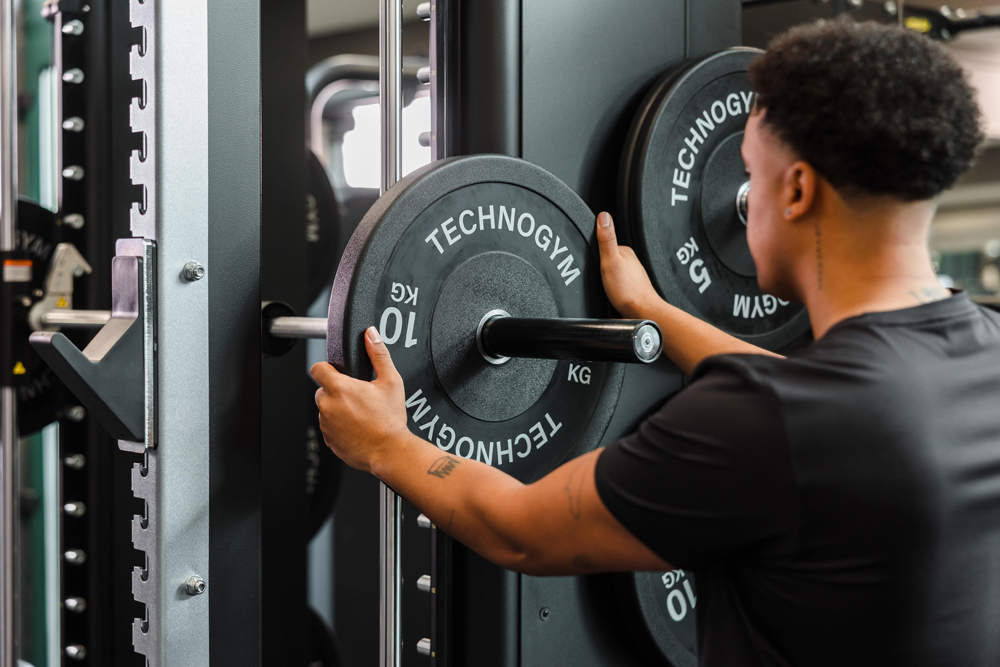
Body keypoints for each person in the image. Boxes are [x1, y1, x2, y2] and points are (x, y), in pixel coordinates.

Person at [311, 20, 998, 667]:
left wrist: (386, 445)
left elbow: (522, 527)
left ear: (795, 190)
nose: (745, 197)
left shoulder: (774, 422)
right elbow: (825, 408)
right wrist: (653, 311)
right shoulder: (983, 350)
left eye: (749, 173)